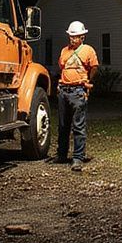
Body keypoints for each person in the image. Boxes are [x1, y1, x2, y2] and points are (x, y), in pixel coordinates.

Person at [52, 20, 99, 171]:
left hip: (78, 90)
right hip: (64, 90)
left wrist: (87, 81)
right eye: (71, 36)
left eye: (76, 36)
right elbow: (62, 67)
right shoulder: (64, 51)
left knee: (78, 126)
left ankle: (78, 158)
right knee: (63, 125)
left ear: (82, 37)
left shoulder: (88, 51)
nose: (72, 39)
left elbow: (94, 67)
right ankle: (62, 155)